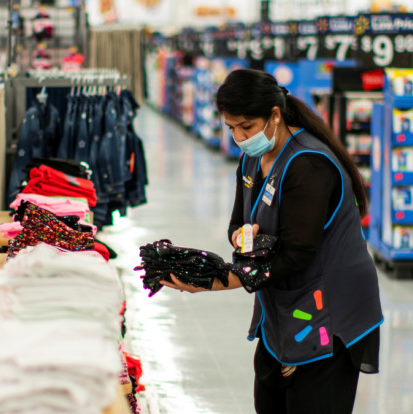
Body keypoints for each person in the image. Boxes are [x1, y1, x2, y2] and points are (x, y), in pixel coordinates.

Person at [160, 69, 383, 414]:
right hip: (281, 306)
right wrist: (239, 237)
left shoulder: (308, 165)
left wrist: (220, 279)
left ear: (274, 116)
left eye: (246, 127)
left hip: (331, 312)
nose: (239, 137)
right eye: (231, 127)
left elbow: (296, 254)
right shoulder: (252, 157)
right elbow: (238, 221)